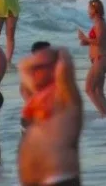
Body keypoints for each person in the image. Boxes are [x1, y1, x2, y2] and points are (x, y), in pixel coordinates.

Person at [17, 47, 83, 186]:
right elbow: (22, 66)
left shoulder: (67, 98)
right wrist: (40, 60)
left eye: (39, 67)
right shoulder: (38, 98)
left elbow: (66, 63)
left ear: (55, 69)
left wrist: (58, 53)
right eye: (34, 68)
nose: (33, 72)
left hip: (60, 180)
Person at [76, 0, 106, 117]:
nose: (87, 11)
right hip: (100, 59)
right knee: (98, 91)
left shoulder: (100, 23)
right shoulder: (98, 23)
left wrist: (85, 38)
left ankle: (104, 115)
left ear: (94, 10)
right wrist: (85, 42)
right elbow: (95, 41)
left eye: (89, 9)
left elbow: (100, 41)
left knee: (89, 89)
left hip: (101, 58)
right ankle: (105, 117)